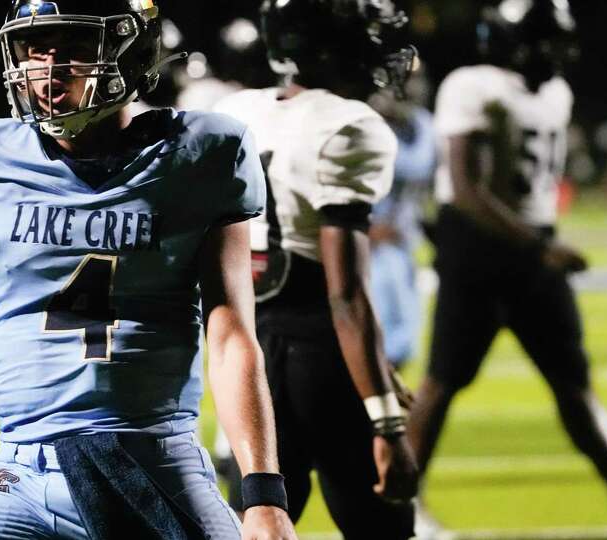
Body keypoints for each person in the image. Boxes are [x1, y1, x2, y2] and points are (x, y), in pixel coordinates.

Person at [0, 2, 297, 539]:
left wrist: (263, 496)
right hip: (20, 472)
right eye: (34, 49)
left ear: (131, 54)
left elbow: (231, 334)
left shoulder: (204, 152)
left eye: (71, 49)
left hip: (157, 458)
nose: (46, 69)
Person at [405, 1, 607, 539]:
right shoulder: (473, 85)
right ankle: (405, 504)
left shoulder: (555, 93)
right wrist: (538, 247)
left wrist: (540, 246)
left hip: (533, 253)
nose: (560, 52)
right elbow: (466, 190)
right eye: (549, 41)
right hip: (480, 252)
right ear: (517, 41)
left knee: (574, 383)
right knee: (443, 381)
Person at [215, 1, 421, 538]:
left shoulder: (236, 110)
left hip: (250, 350)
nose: (377, 47)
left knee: (262, 523)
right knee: (385, 526)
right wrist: (389, 424)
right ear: (329, 46)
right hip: (319, 349)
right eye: (365, 35)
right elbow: (345, 295)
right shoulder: (351, 124)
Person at [367, 74, 438, 370]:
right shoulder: (362, 126)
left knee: (404, 341)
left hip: (405, 241)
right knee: (381, 340)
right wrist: (365, 228)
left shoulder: (423, 126)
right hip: (370, 245)